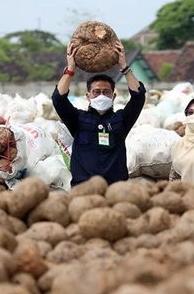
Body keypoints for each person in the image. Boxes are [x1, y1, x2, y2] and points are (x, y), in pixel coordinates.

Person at [52, 41, 146, 186]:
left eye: (106, 92)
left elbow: (138, 96)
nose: (101, 96)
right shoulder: (77, 119)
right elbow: (58, 99)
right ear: (88, 96)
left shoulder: (121, 119)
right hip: (83, 189)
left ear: (113, 96)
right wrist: (70, 69)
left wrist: (124, 67)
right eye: (96, 92)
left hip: (116, 189)